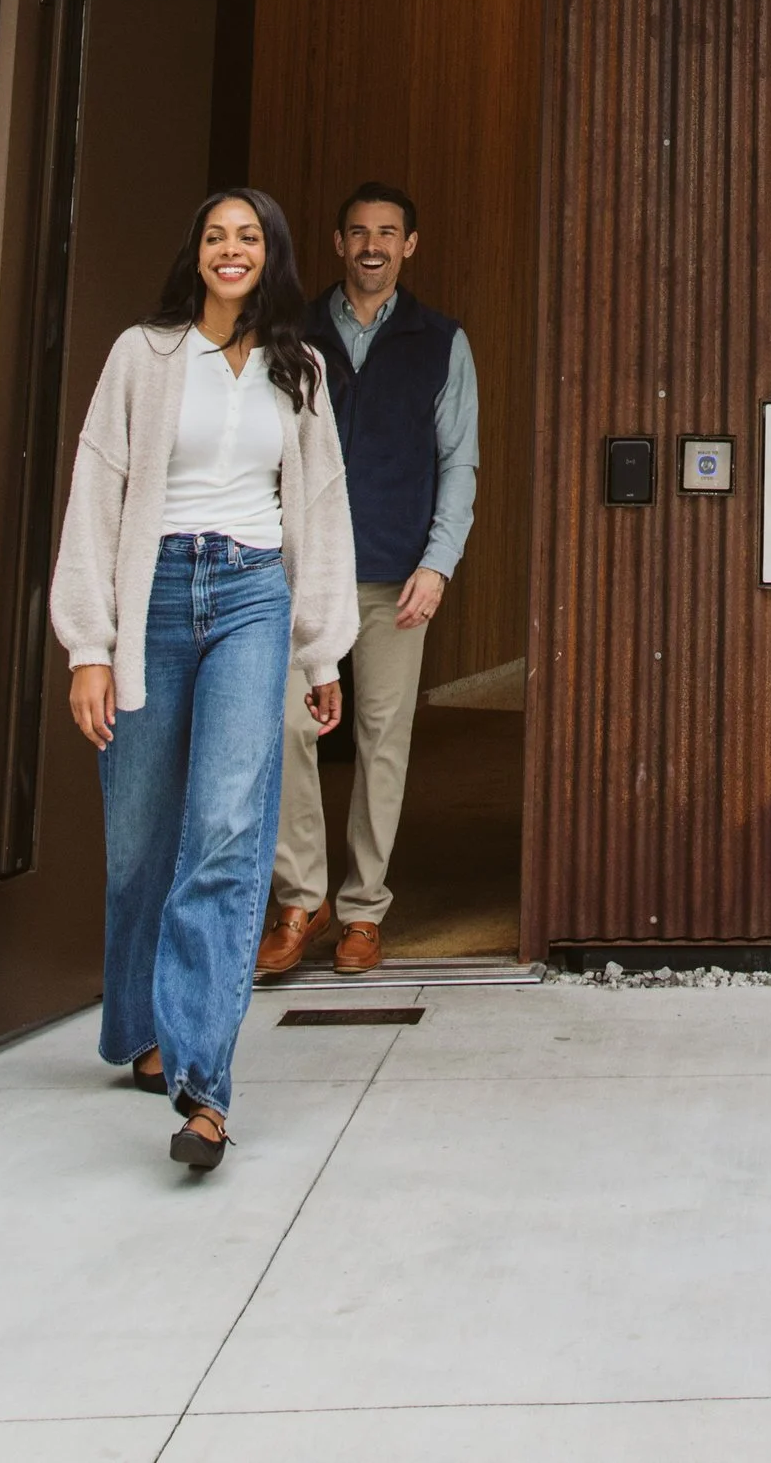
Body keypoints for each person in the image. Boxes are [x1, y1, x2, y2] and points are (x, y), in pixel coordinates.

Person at [50, 187, 359, 1174]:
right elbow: (98, 491)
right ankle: (142, 1026)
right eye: (218, 236)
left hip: (250, 596)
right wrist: (88, 646)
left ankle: (203, 1088)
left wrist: (320, 650)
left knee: (227, 828)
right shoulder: (143, 357)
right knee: (141, 841)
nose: (234, 250)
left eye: (252, 237)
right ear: (197, 254)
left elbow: (319, 507)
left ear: (274, 255)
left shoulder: (298, 368)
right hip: (150, 600)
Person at [258, 179, 479, 980]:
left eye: (389, 232)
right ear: (338, 243)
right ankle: (300, 899)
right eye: (359, 232)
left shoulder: (441, 340)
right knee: (288, 728)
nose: (373, 245)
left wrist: (438, 564)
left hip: (396, 578)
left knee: (383, 742)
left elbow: (460, 462)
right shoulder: (290, 332)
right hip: (297, 575)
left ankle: (361, 910)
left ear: (409, 245)